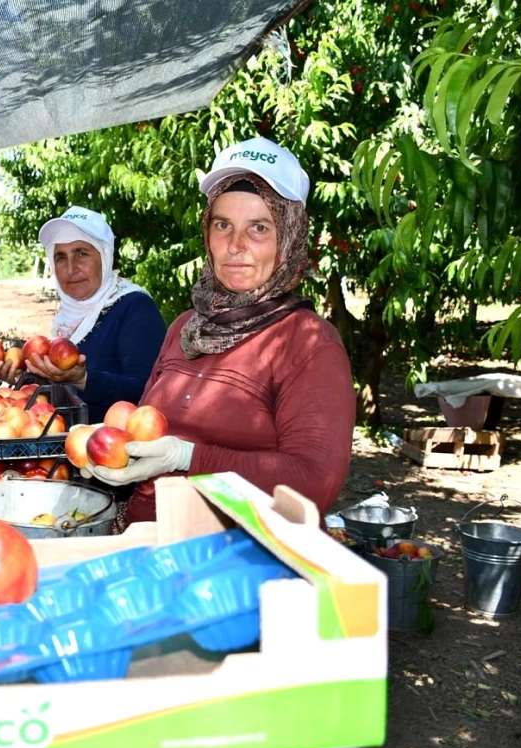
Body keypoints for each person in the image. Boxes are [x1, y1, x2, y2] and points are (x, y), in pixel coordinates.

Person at [84, 137, 355, 519]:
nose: (235, 245)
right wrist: (112, 449)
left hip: (237, 564)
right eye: (222, 224)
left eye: (259, 228)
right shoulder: (185, 327)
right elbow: (140, 429)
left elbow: (314, 483)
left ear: (289, 238)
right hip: (149, 551)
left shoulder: (308, 343)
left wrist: (189, 457)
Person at [0, 206, 167, 421]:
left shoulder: (135, 308)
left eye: (81, 253)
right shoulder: (69, 316)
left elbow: (148, 390)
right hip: (69, 444)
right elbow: (61, 391)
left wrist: (84, 379)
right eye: (61, 257)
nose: (71, 269)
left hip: (116, 446)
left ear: (105, 257)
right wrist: (23, 375)